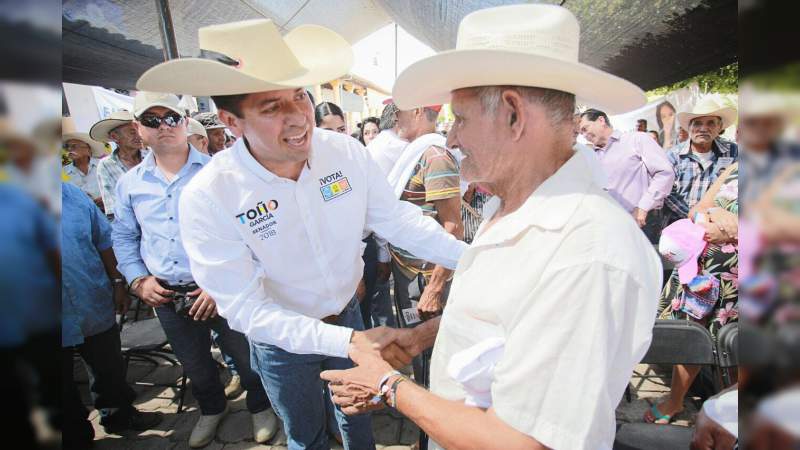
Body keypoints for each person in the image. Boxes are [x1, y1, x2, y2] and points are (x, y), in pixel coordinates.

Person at [321, 4, 659, 450]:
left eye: (459, 119)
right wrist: (420, 337)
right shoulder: (516, 206)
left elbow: (521, 442)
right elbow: (506, 322)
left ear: (514, 115)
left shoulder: (587, 252)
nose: (453, 139)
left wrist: (388, 386)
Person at [136, 18, 466, 450]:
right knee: (305, 435)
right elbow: (245, 309)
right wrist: (348, 341)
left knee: (357, 424)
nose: (297, 118)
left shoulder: (344, 153)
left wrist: (473, 258)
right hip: (279, 341)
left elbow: (397, 220)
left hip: (349, 315)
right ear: (230, 121)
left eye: (299, 97)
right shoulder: (210, 195)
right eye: (271, 108)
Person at [111, 92, 277, 448]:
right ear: (138, 129)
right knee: (195, 364)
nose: (164, 127)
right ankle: (212, 409)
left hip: (224, 289)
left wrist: (218, 285)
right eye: (152, 121)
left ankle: (261, 406)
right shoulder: (130, 184)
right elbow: (124, 237)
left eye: (170, 118)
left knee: (247, 357)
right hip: (167, 293)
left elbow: (253, 235)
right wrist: (138, 279)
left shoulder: (222, 173)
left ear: (185, 123)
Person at [62, 182, 162, 447]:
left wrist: (118, 283)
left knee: (108, 366)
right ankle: (74, 435)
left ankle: (119, 415)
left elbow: (104, 240)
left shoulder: (71, 194)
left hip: (90, 298)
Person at [650, 162, 739, 424]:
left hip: (748, 282)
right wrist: (711, 215)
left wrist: (735, 230)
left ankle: (729, 412)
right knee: (691, 335)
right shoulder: (736, 166)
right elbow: (696, 210)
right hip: (700, 274)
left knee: (736, 347)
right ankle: (675, 401)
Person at [386, 103, 463, 390]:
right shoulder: (416, 152)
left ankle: (432, 417)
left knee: (433, 352)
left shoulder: (435, 157)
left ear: (417, 111)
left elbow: (453, 227)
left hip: (427, 276)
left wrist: (434, 287)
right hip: (410, 270)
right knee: (417, 346)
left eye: (400, 112)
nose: (396, 119)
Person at [578, 108, 674, 231]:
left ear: (601, 120)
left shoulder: (637, 140)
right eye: (581, 133)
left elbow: (665, 173)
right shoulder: (591, 156)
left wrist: (643, 207)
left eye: (585, 129)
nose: (585, 135)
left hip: (643, 222)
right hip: (611, 226)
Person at [663, 97, 739, 228]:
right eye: (697, 123)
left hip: (720, 227)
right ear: (689, 127)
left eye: (711, 123)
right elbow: (667, 192)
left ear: (719, 127)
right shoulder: (673, 155)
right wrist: (697, 217)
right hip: (679, 226)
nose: (703, 128)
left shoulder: (734, 152)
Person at [90, 110, 147, 220]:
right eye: (132, 132)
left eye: (138, 130)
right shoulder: (106, 165)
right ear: (115, 137)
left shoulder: (152, 156)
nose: (138, 135)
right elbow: (113, 209)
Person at [63, 118, 105, 209]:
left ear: (87, 150)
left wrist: (106, 199)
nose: (69, 150)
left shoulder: (103, 165)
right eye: (67, 147)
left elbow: (116, 188)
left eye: (74, 146)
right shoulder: (62, 172)